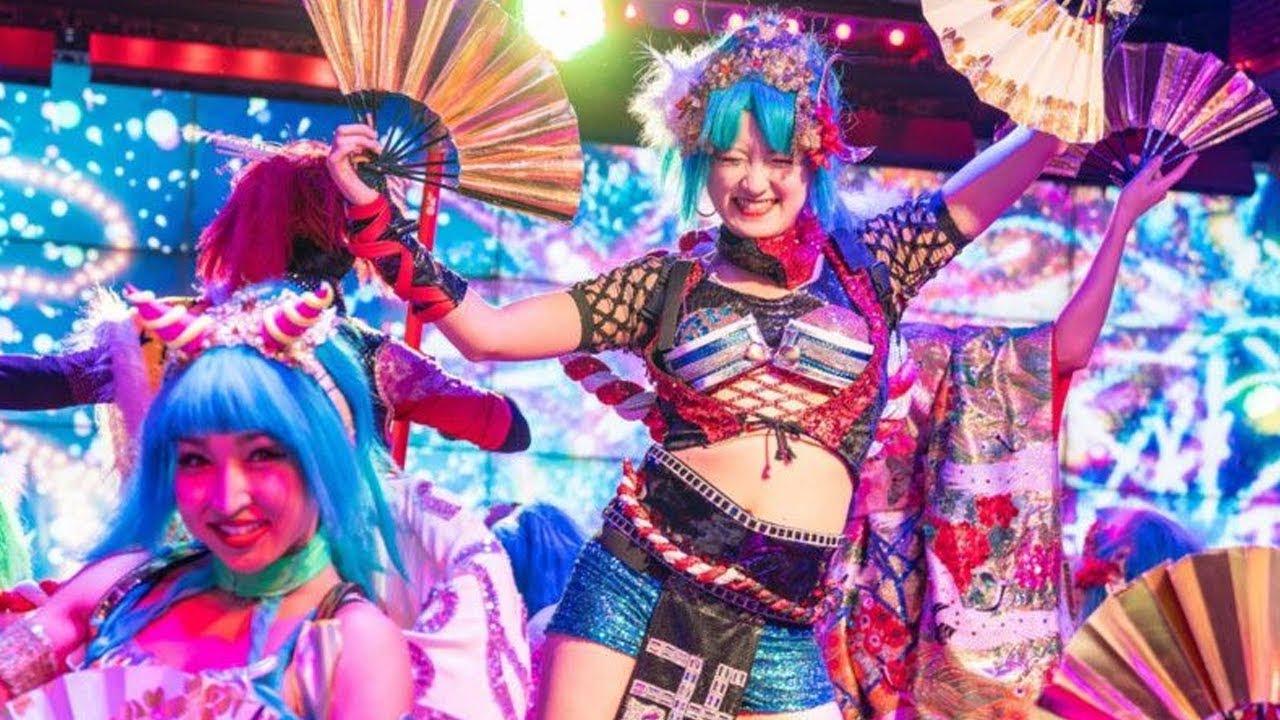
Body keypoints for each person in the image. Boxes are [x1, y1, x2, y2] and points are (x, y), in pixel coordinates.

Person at [327, 13, 1070, 718]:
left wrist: (1071, 87)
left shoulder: (873, 268)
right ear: (700, 159)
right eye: (729, 157)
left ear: (815, 156)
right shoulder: (664, 286)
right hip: (635, 583)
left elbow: (992, 183)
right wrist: (375, 220)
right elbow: (489, 333)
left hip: (782, 623)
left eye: (777, 158)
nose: (754, 181)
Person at [0, 281, 412, 718]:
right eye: (195, 460)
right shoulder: (122, 587)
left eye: (262, 456)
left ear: (330, 454)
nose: (227, 499)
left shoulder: (354, 649)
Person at [0, 141, 528, 476]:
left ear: (241, 230)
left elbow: (43, 382)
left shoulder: (170, 333)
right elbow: (507, 429)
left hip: (194, 578)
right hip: (334, 593)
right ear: (352, 248)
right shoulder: (376, 358)